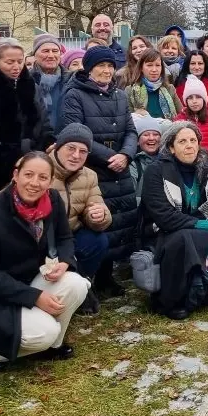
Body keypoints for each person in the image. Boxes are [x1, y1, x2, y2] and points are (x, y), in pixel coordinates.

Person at [0, 152, 91, 372]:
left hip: (34, 278)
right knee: (44, 332)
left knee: (77, 284)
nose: (35, 183)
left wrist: (64, 260)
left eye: (43, 177)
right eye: (29, 175)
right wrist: (35, 297)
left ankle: (53, 345)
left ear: (51, 180)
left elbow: (64, 238)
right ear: (16, 175)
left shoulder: (52, 199)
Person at [60, 45, 138, 298]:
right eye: (100, 66)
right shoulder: (74, 94)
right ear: (89, 68)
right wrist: (109, 157)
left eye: (109, 66)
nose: (106, 70)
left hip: (120, 166)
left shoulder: (120, 95)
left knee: (118, 222)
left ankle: (108, 277)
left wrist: (125, 154)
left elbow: (130, 130)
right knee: (96, 221)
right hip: (93, 168)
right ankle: (90, 280)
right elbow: (76, 133)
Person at [139, 122, 208, 320]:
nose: (189, 145)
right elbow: (164, 217)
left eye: (193, 140)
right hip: (162, 233)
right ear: (171, 147)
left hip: (198, 233)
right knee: (184, 238)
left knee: (207, 248)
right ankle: (171, 301)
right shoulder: (156, 171)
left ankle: (206, 292)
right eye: (182, 141)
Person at [0, 38, 53, 196]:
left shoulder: (31, 86)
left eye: (20, 61)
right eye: (9, 62)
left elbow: (44, 121)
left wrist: (47, 142)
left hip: (33, 161)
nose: (16, 67)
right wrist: (9, 157)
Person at [48, 124, 111, 316]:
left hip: (70, 236)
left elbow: (98, 206)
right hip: (42, 240)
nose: (76, 155)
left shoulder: (89, 176)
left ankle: (81, 284)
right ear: (58, 147)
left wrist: (99, 215)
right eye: (71, 148)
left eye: (83, 151)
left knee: (98, 240)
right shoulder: (40, 167)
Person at [125, 48, 180, 128]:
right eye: (149, 65)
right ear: (141, 68)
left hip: (168, 133)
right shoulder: (130, 90)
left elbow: (181, 116)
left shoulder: (169, 89)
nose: (154, 70)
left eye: (158, 65)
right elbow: (127, 120)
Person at [31, 33, 67, 132]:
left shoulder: (71, 80)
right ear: (35, 55)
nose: (51, 55)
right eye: (45, 51)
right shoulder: (26, 81)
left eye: (55, 51)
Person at [129, 114, 164, 203]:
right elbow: (130, 195)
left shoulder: (168, 161)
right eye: (146, 134)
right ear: (137, 140)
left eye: (156, 134)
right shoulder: (134, 164)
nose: (151, 138)